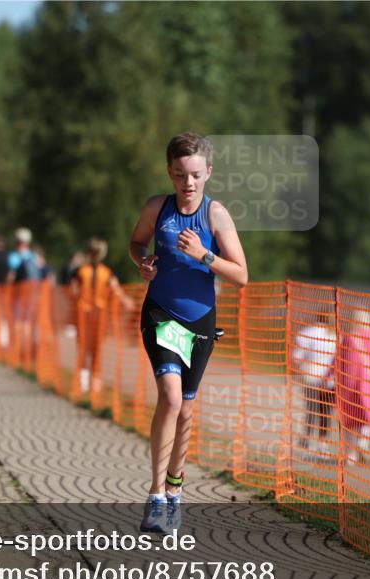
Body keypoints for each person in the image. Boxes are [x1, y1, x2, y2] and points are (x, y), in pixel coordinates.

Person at [128, 132, 248, 533]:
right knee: (170, 396)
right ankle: (155, 496)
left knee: (186, 410)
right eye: (180, 174)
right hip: (161, 313)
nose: (188, 183)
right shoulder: (157, 207)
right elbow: (136, 243)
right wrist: (143, 261)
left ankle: (175, 489)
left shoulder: (216, 216)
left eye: (195, 174)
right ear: (170, 172)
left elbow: (241, 275)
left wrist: (204, 254)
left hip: (200, 322)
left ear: (208, 172)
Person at [70, 238, 133, 398]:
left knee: (84, 347)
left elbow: (74, 292)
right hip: (99, 314)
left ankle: (84, 383)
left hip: (83, 314)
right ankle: (95, 383)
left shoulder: (80, 271)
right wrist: (126, 300)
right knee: (96, 349)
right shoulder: (106, 272)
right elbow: (115, 289)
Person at [331, 309, 370, 464]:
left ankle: (350, 455)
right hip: (367, 383)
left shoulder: (348, 337)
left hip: (348, 383)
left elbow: (338, 360)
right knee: (365, 414)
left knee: (349, 419)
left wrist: (329, 375)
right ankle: (363, 443)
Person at [292, 313, 337, 451]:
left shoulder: (309, 332)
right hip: (330, 380)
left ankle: (306, 438)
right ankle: (323, 442)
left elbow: (297, 356)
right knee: (326, 411)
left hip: (311, 376)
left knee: (311, 408)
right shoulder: (336, 336)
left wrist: (299, 367)